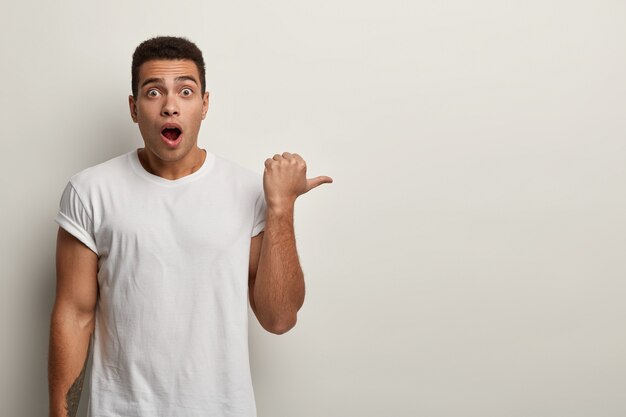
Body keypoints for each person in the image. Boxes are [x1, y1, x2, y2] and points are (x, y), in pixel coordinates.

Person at [48, 36, 333, 417]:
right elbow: (74, 315)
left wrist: (281, 207)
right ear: (134, 108)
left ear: (205, 105)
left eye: (185, 91)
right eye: (153, 92)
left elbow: (278, 318)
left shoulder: (246, 191)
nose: (170, 106)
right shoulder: (90, 191)